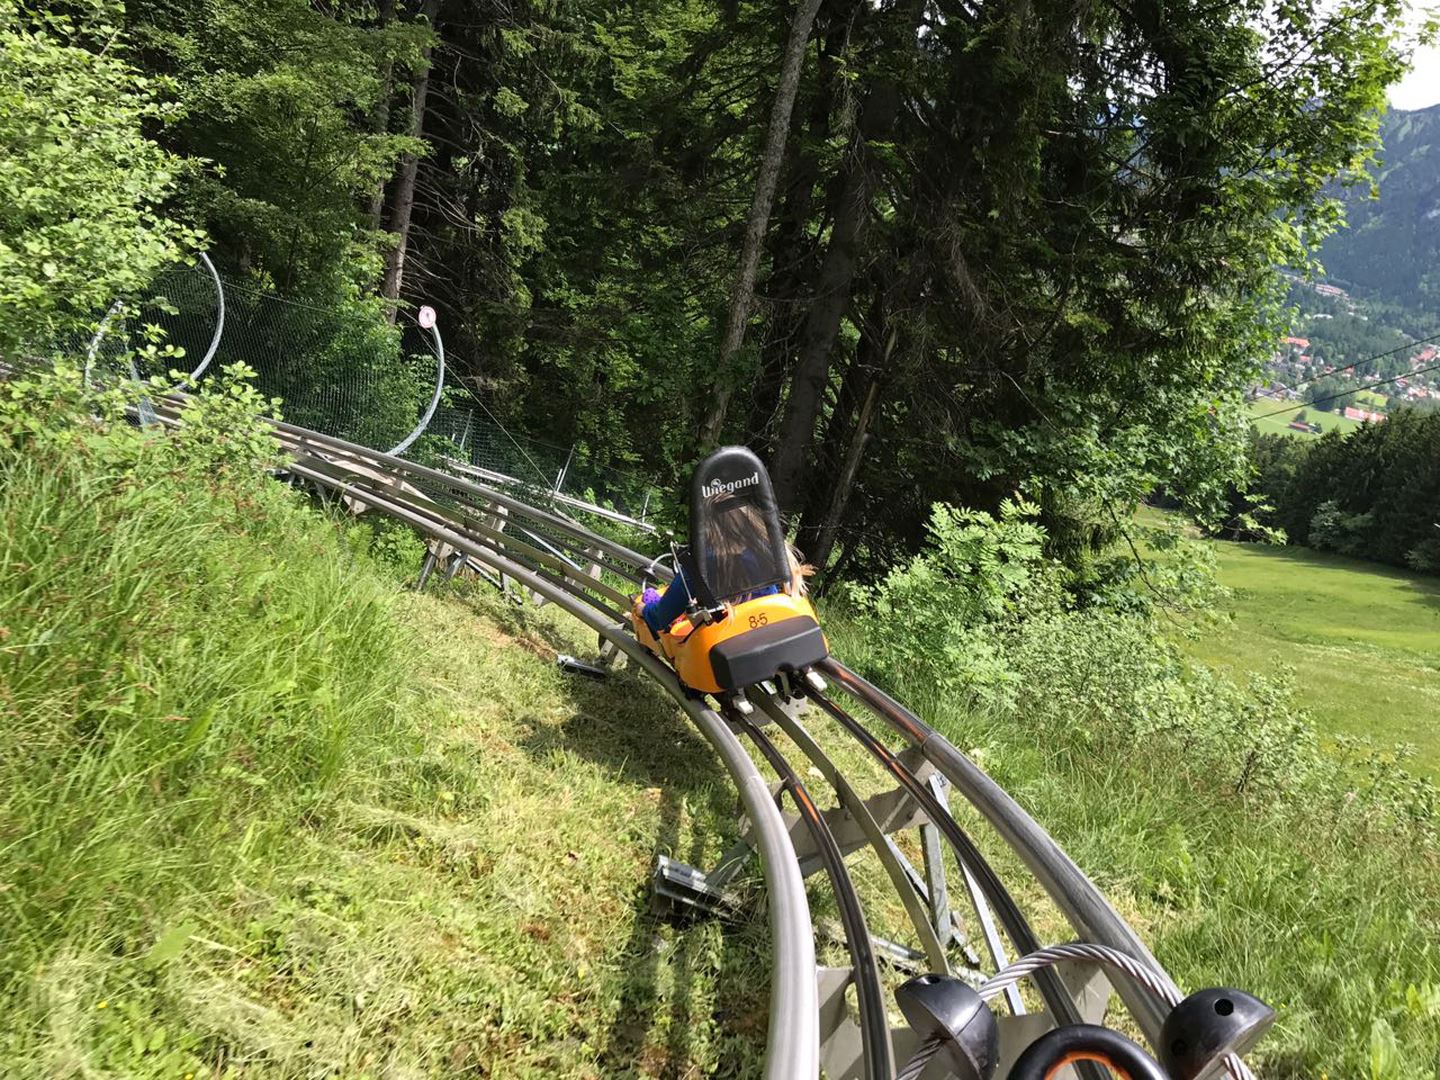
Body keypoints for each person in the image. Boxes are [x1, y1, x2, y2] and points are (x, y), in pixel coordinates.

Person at [639, 496, 811, 636]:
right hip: (774, 629)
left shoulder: (702, 565)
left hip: (732, 641)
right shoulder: (770, 553)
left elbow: (662, 617)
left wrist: (643, 611)